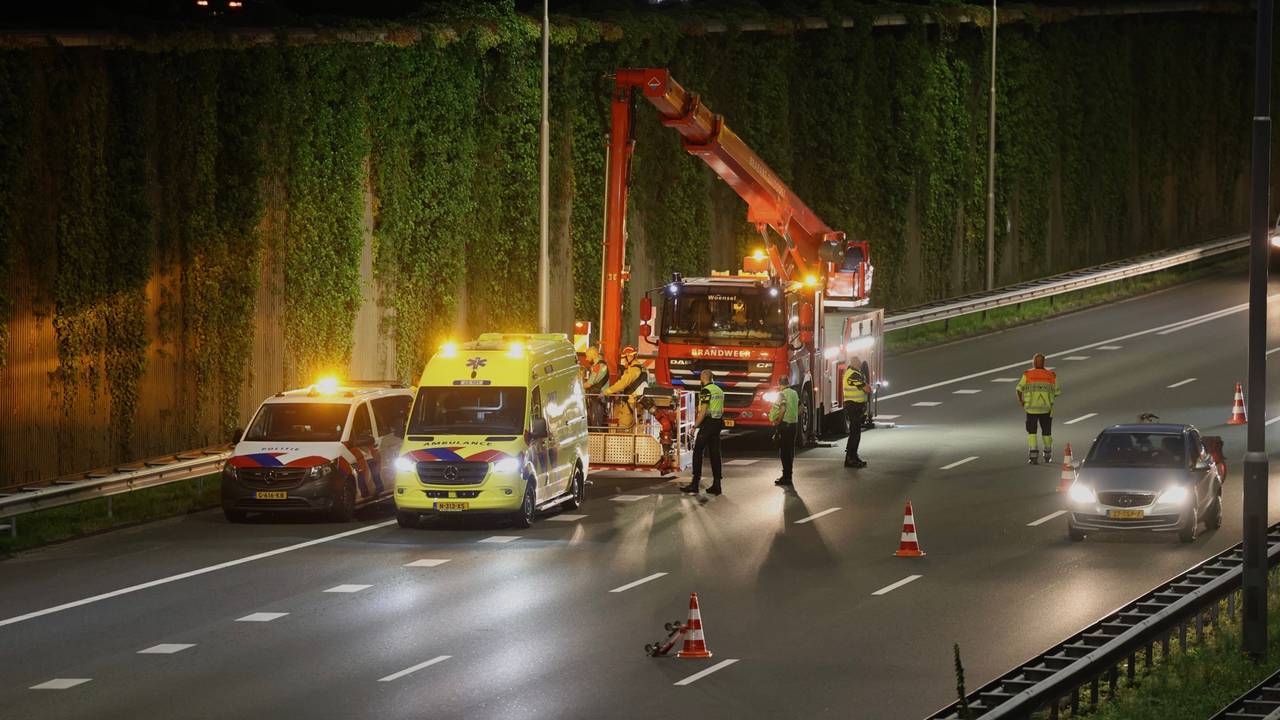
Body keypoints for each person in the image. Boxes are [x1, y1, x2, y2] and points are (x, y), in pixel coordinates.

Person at [682, 369, 724, 495]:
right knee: (715, 453)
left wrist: (695, 426)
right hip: (718, 423)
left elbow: (704, 411)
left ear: (702, 378)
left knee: (697, 452)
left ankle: (695, 483)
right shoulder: (719, 390)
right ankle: (717, 485)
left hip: (708, 424)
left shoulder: (706, 390)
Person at [1016, 353, 1060, 464]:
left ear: (1034, 362)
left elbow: (1019, 388)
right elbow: (1057, 392)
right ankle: (1047, 455)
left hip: (1031, 409)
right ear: (1044, 362)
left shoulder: (1028, 375)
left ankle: (1033, 456)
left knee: (1032, 432)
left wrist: (1021, 400)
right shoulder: (1051, 375)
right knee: (1046, 432)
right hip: (1046, 409)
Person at [603, 346, 647, 431]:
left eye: (624, 357)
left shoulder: (633, 370)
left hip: (632, 400)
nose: (623, 360)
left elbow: (622, 384)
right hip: (641, 400)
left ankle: (624, 442)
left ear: (629, 356)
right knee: (637, 425)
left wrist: (606, 391)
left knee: (623, 426)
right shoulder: (642, 368)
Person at [769, 384, 799, 487]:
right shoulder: (795, 393)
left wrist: (778, 420)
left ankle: (786, 477)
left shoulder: (781, 394)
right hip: (794, 425)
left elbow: (782, 408)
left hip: (785, 425)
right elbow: (802, 408)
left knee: (784, 452)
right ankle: (789, 475)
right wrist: (794, 416)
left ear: (780, 384)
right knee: (790, 451)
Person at [842, 357, 870, 468]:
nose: (860, 363)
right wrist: (867, 386)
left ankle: (853, 456)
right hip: (853, 406)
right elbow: (867, 389)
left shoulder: (856, 373)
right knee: (854, 434)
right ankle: (850, 458)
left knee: (856, 433)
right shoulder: (853, 374)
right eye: (858, 362)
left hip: (856, 406)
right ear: (854, 363)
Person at [580, 346, 609, 429]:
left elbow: (589, 383)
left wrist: (577, 387)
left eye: (588, 356)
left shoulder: (598, 366)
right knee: (594, 422)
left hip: (598, 398)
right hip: (597, 397)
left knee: (595, 424)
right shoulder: (599, 366)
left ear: (593, 355)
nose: (586, 359)